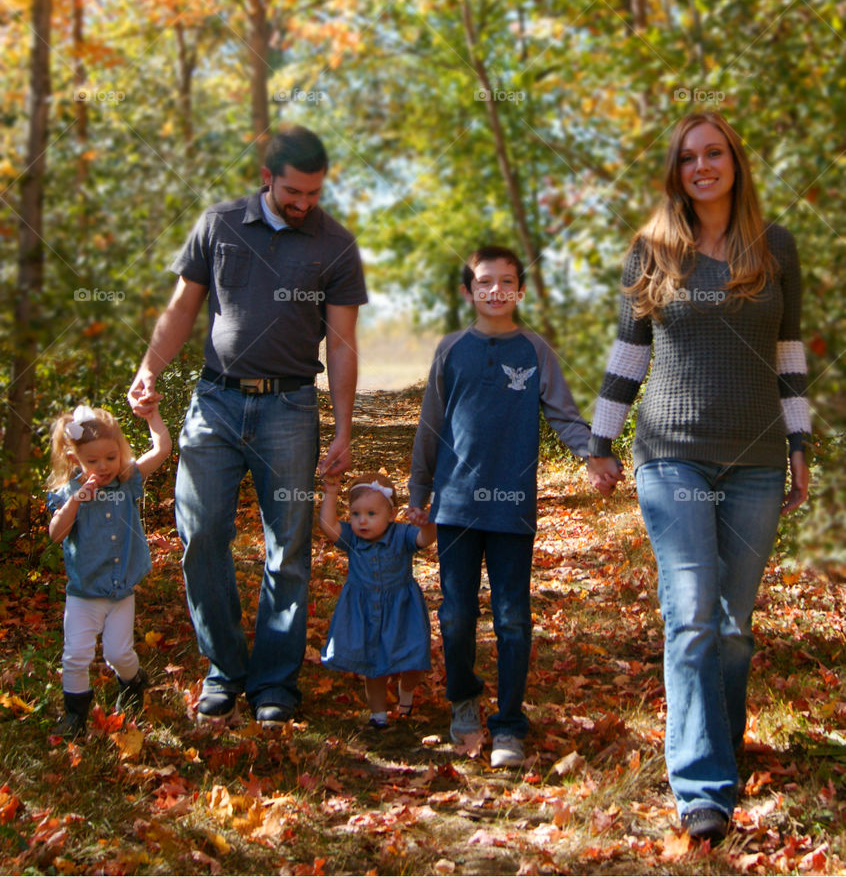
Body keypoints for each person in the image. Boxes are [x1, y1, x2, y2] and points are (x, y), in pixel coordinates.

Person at [587, 111, 811, 843]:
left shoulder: (776, 248)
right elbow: (629, 352)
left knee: (733, 627)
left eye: (715, 154)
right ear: (675, 172)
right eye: (690, 158)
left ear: (735, 164)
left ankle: (718, 738)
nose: (703, 167)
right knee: (690, 614)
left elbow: (788, 351)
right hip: (671, 452)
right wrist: (600, 442)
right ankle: (703, 786)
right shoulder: (652, 251)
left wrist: (800, 442)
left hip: (753, 460)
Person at [127, 126, 367, 726]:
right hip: (215, 403)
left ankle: (274, 683)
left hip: (289, 409)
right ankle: (225, 669)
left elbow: (341, 343)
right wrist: (147, 368)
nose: (304, 203)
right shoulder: (220, 223)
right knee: (201, 534)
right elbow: (183, 308)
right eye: (293, 190)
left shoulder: (336, 245)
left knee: (287, 550)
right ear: (267, 176)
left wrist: (343, 428)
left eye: (314, 193)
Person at [408, 244, 597, 768]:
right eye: (485, 282)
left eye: (506, 281)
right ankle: (464, 700)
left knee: (513, 616)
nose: (496, 290)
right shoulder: (451, 350)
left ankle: (510, 723)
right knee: (458, 613)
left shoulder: (535, 350)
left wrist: (594, 456)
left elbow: (565, 414)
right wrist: (418, 494)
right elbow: (430, 425)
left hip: (513, 507)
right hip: (456, 506)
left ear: (520, 289)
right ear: (468, 291)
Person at [47, 402, 172, 736]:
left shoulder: (127, 480)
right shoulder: (69, 491)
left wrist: (151, 415)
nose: (103, 467)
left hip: (120, 591)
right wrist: (76, 501)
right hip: (84, 593)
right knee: (75, 655)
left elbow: (162, 448)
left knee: (119, 652)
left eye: (110, 457)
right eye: (92, 461)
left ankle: (133, 682)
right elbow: (56, 534)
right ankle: (75, 715)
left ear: (120, 452)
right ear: (75, 459)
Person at [318, 471, 436, 726]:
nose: (362, 521)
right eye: (356, 514)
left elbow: (425, 539)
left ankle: (406, 692)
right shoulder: (353, 540)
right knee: (374, 664)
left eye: (372, 514)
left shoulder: (401, 535)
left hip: (402, 610)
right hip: (364, 611)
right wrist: (330, 492)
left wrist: (427, 522)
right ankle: (378, 713)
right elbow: (328, 526)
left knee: (412, 658)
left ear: (391, 515)